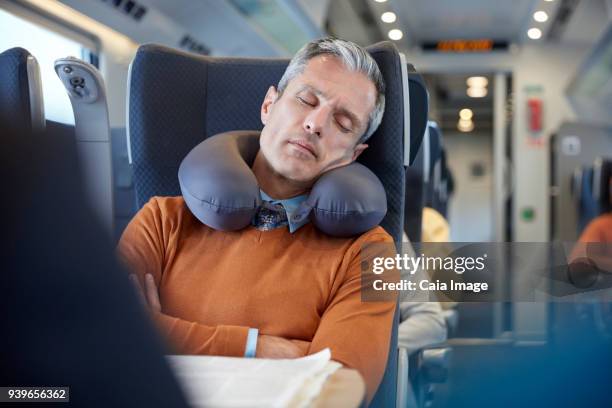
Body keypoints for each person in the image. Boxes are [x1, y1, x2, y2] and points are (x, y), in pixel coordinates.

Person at [119, 37, 396, 400]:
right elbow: (102, 334)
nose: (315, 124)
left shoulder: (372, 254)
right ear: (269, 105)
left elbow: (338, 391)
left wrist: (162, 336)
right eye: (306, 100)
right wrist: (258, 347)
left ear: (352, 154)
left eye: (343, 123)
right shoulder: (162, 220)